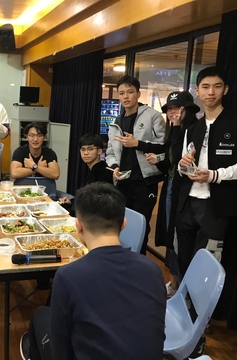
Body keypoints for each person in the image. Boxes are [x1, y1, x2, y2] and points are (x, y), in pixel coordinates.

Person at [20, 182, 167, 360]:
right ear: (123, 224)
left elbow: (61, 348)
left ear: (78, 226)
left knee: (41, 315)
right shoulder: (152, 269)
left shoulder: (68, 276)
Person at [176, 66, 237, 276]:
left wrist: (215, 175)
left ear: (226, 89)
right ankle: (184, 303)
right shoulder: (192, 129)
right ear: (197, 91)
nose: (211, 92)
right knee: (184, 257)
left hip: (218, 205)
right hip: (188, 201)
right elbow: (183, 166)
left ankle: (202, 308)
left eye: (217, 86)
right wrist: (183, 166)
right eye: (205, 87)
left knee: (208, 263)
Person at [145, 91, 199, 298]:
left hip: (183, 192)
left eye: (177, 109)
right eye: (169, 109)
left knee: (178, 237)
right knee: (170, 236)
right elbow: (171, 163)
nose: (172, 113)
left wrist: (176, 127)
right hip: (170, 186)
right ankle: (174, 281)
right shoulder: (174, 131)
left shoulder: (191, 130)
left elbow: (180, 159)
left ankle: (180, 285)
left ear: (187, 110)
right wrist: (157, 161)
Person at [105, 74, 166, 255]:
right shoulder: (116, 121)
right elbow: (110, 151)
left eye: (130, 92)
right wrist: (114, 167)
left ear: (138, 94)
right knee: (122, 225)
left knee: (141, 226)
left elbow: (164, 147)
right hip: (123, 182)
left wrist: (137, 143)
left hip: (145, 182)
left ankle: (139, 265)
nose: (126, 97)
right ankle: (123, 262)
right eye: (122, 93)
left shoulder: (153, 116)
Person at [59, 133, 113, 215]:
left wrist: (71, 209)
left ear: (99, 151)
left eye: (90, 149)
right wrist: (71, 202)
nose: (85, 153)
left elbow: (91, 204)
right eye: (83, 149)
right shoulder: (94, 169)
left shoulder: (101, 172)